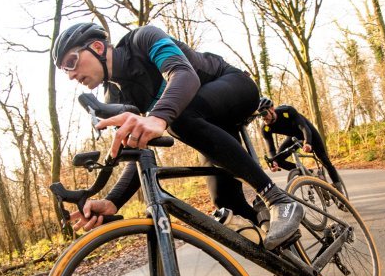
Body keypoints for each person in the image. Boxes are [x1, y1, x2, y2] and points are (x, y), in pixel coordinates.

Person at [52, 22, 302, 250]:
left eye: (72, 62)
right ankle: (287, 256)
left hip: (233, 86)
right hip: (206, 123)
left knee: (178, 120)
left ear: (96, 47)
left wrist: (158, 117)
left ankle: (277, 198)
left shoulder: (143, 39)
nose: (71, 74)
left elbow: (183, 74)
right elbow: (138, 154)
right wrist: (112, 202)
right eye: (65, 71)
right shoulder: (117, 98)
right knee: (226, 204)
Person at [258, 97, 344, 193]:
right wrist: (273, 162)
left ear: (272, 109)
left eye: (264, 113)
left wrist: (307, 143)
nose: (263, 118)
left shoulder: (287, 111)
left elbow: (304, 127)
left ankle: (339, 188)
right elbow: (271, 149)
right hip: (293, 137)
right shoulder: (265, 128)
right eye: (259, 115)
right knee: (278, 160)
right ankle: (309, 173)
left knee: (324, 160)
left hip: (308, 132)